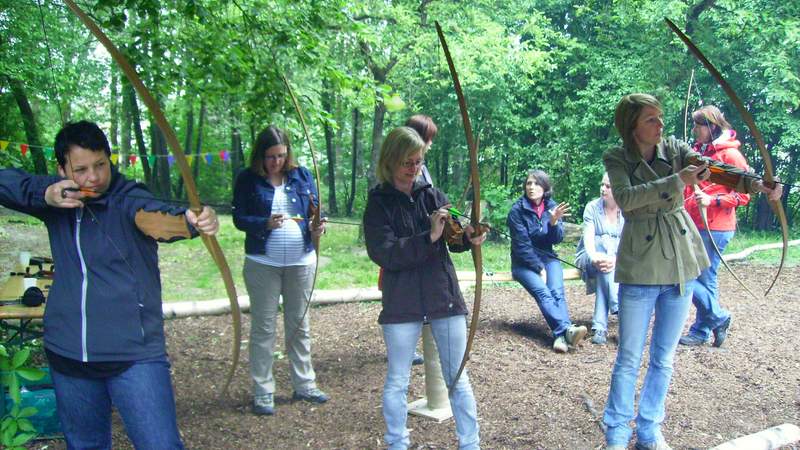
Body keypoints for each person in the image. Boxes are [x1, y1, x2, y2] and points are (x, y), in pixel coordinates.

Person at [0, 120, 221, 449]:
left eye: (100, 165)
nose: (93, 177)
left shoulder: (129, 197)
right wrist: (45, 194)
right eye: (81, 169)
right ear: (62, 169)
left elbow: (158, 217)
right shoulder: (55, 200)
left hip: (134, 356)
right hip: (68, 355)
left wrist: (194, 220)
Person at [601, 94, 781, 450]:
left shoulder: (675, 147)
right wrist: (677, 181)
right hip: (641, 264)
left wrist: (757, 184)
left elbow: (716, 170)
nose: (660, 125)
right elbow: (627, 199)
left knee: (664, 357)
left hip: (681, 259)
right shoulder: (617, 157)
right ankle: (618, 434)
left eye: (661, 118)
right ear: (633, 126)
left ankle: (650, 430)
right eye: (651, 119)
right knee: (628, 359)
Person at [363, 126, 485, 450]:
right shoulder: (378, 203)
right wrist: (428, 236)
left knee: (457, 377)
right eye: (407, 162)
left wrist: (469, 235)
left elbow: (455, 236)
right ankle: (397, 444)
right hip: (402, 301)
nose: (414, 168)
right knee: (398, 380)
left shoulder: (431, 194)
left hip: (441, 296)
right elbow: (384, 251)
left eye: (418, 162)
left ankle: (470, 444)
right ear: (391, 161)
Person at [232, 125, 328, 416]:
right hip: (264, 263)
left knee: (299, 325)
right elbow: (238, 218)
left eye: (282, 156)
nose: (277, 162)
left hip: (301, 262)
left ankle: (305, 385)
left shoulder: (301, 175)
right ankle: (263, 391)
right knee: (263, 328)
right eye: (271, 157)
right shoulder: (247, 179)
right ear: (260, 155)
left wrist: (318, 224)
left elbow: (315, 209)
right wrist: (264, 222)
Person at [679, 105, 750, 348]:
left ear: (711, 127)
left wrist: (713, 200)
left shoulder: (729, 155)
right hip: (695, 223)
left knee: (687, 275)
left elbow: (745, 195)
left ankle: (715, 319)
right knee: (705, 280)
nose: (695, 130)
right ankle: (704, 329)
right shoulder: (701, 151)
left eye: (698, 125)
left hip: (716, 227)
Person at [507, 169, 588, 353]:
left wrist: (552, 223)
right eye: (528, 183)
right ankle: (566, 330)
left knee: (557, 292)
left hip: (548, 257)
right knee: (544, 293)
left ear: (545, 187)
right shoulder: (516, 211)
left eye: (536, 184)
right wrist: (538, 268)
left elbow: (556, 239)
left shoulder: (552, 207)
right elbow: (522, 247)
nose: (531, 187)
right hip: (524, 263)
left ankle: (561, 336)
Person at [575, 172, 624, 345]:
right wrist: (595, 257)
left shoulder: (626, 210)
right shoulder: (592, 208)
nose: (603, 189)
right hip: (588, 257)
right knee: (602, 251)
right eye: (602, 185)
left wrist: (615, 260)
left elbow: (628, 243)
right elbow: (588, 239)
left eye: (608, 186)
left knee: (606, 267)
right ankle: (619, 310)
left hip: (615, 262)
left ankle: (599, 328)